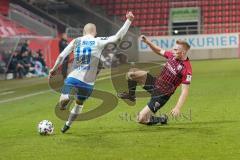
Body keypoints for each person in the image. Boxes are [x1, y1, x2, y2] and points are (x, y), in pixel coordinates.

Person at [49, 11, 134, 133]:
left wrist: (54, 69)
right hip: (88, 83)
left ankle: (65, 99)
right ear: (94, 32)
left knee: (64, 95)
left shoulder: (76, 41)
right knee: (79, 104)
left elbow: (61, 56)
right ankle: (67, 124)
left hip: (74, 77)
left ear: (83, 32)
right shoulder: (98, 41)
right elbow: (117, 38)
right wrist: (128, 21)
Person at [118, 35, 192, 125]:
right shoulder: (172, 56)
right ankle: (131, 95)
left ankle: (161, 119)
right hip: (155, 83)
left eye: (176, 50)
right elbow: (159, 50)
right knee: (132, 73)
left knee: (140, 119)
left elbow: (185, 91)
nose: (173, 51)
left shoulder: (186, 69)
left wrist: (177, 107)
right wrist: (147, 42)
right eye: (173, 49)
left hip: (162, 94)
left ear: (183, 52)